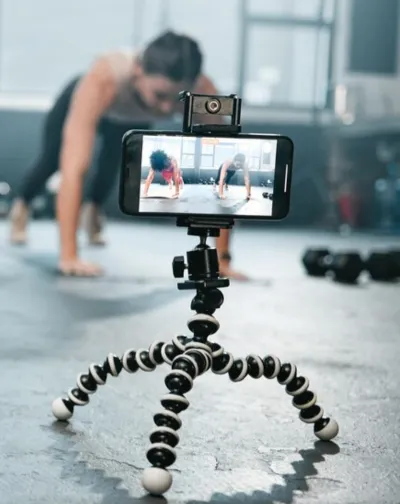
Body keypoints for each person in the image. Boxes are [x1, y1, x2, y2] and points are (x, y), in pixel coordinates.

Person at [9, 30, 247, 280]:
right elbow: (74, 170)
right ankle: (22, 206)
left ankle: (93, 212)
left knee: (115, 165)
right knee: (53, 160)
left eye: (177, 97)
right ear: (137, 72)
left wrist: (221, 260)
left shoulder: (203, 93)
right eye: (160, 95)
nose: (166, 108)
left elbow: (222, 178)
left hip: (131, 113)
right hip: (90, 100)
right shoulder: (104, 79)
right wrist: (69, 257)